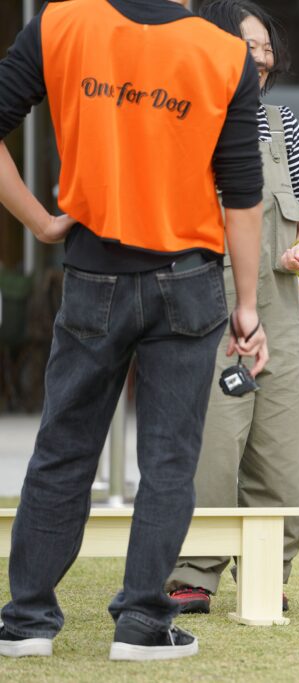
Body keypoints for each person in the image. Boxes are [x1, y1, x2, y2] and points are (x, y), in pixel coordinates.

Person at [0, 0, 268, 661]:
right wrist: (249, 304)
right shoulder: (223, 53)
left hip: (93, 271)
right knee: (169, 460)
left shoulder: (61, 23)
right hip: (189, 280)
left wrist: (38, 220)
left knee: (63, 448)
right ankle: (142, 625)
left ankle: (26, 621)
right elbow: (242, 194)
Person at [165, 0, 299, 616]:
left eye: (265, 47)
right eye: (247, 46)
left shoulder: (284, 124)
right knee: (211, 445)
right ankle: (192, 573)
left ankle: (267, 570)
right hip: (205, 308)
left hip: (278, 310)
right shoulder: (185, 121)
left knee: (286, 454)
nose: (261, 58)